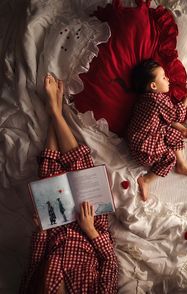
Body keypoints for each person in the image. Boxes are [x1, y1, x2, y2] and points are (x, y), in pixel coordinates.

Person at [20, 74, 118, 294]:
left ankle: (54, 109)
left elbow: (34, 264)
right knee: (80, 168)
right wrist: (91, 230)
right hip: (90, 223)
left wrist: (40, 231)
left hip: (55, 227)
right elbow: (110, 264)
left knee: (48, 171)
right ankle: (56, 109)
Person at [127, 59, 187, 201]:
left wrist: (181, 129)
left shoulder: (144, 99)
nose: (168, 78)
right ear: (154, 85)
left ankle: (182, 164)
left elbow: (165, 121)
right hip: (146, 149)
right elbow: (177, 115)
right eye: (163, 77)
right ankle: (146, 180)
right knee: (169, 158)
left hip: (136, 142)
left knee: (174, 133)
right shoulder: (160, 100)